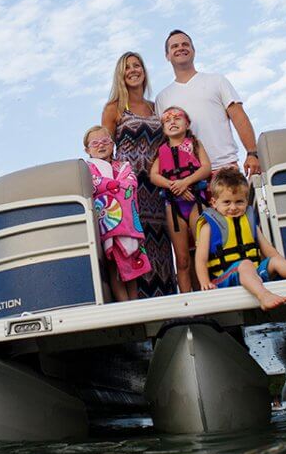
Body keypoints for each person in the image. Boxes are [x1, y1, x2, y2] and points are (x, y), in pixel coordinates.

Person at [101, 52, 175, 298]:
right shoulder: (114, 109)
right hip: (129, 190)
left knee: (161, 244)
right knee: (133, 246)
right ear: (120, 75)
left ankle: (169, 307)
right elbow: (104, 150)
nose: (133, 70)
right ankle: (139, 308)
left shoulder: (156, 107)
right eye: (127, 67)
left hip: (158, 184)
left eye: (137, 65)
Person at [195, 169, 286, 311]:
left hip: (252, 272)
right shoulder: (208, 228)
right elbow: (200, 259)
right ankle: (263, 296)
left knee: (275, 260)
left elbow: (271, 252)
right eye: (227, 202)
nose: (233, 207)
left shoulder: (250, 224)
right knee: (245, 264)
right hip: (224, 279)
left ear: (246, 201)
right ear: (214, 203)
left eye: (239, 202)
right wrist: (205, 282)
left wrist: (280, 267)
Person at [154, 30, 262, 177]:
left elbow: (239, 117)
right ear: (167, 56)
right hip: (186, 177)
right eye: (174, 46)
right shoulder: (162, 98)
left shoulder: (217, 81)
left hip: (224, 168)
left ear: (193, 50)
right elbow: (165, 139)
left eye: (185, 44)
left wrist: (252, 153)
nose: (180, 48)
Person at [83, 125, 151, 302]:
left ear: (113, 144)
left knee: (132, 260)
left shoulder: (124, 166)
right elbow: (96, 184)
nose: (101, 145)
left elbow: (130, 185)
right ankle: (124, 302)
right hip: (107, 224)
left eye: (105, 141)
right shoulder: (87, 169)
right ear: (87, 149)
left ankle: (134, 301)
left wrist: (110, 187)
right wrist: (114, 187)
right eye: (95, 143)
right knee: (113, 263)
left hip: (127, 222)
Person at [148, 106, 210, 293]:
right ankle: (188, 302)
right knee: (182, 259)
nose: (172, 122)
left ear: (187, 123)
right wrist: (173, 185)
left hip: (196, 203)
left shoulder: (196, 145)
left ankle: (207, 295)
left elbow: (206, 168)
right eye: (167, 120)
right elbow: (154, 176)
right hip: (173, 207)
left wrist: (186, 182)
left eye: (177, 118)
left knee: (202, 251)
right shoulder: (162, 151)